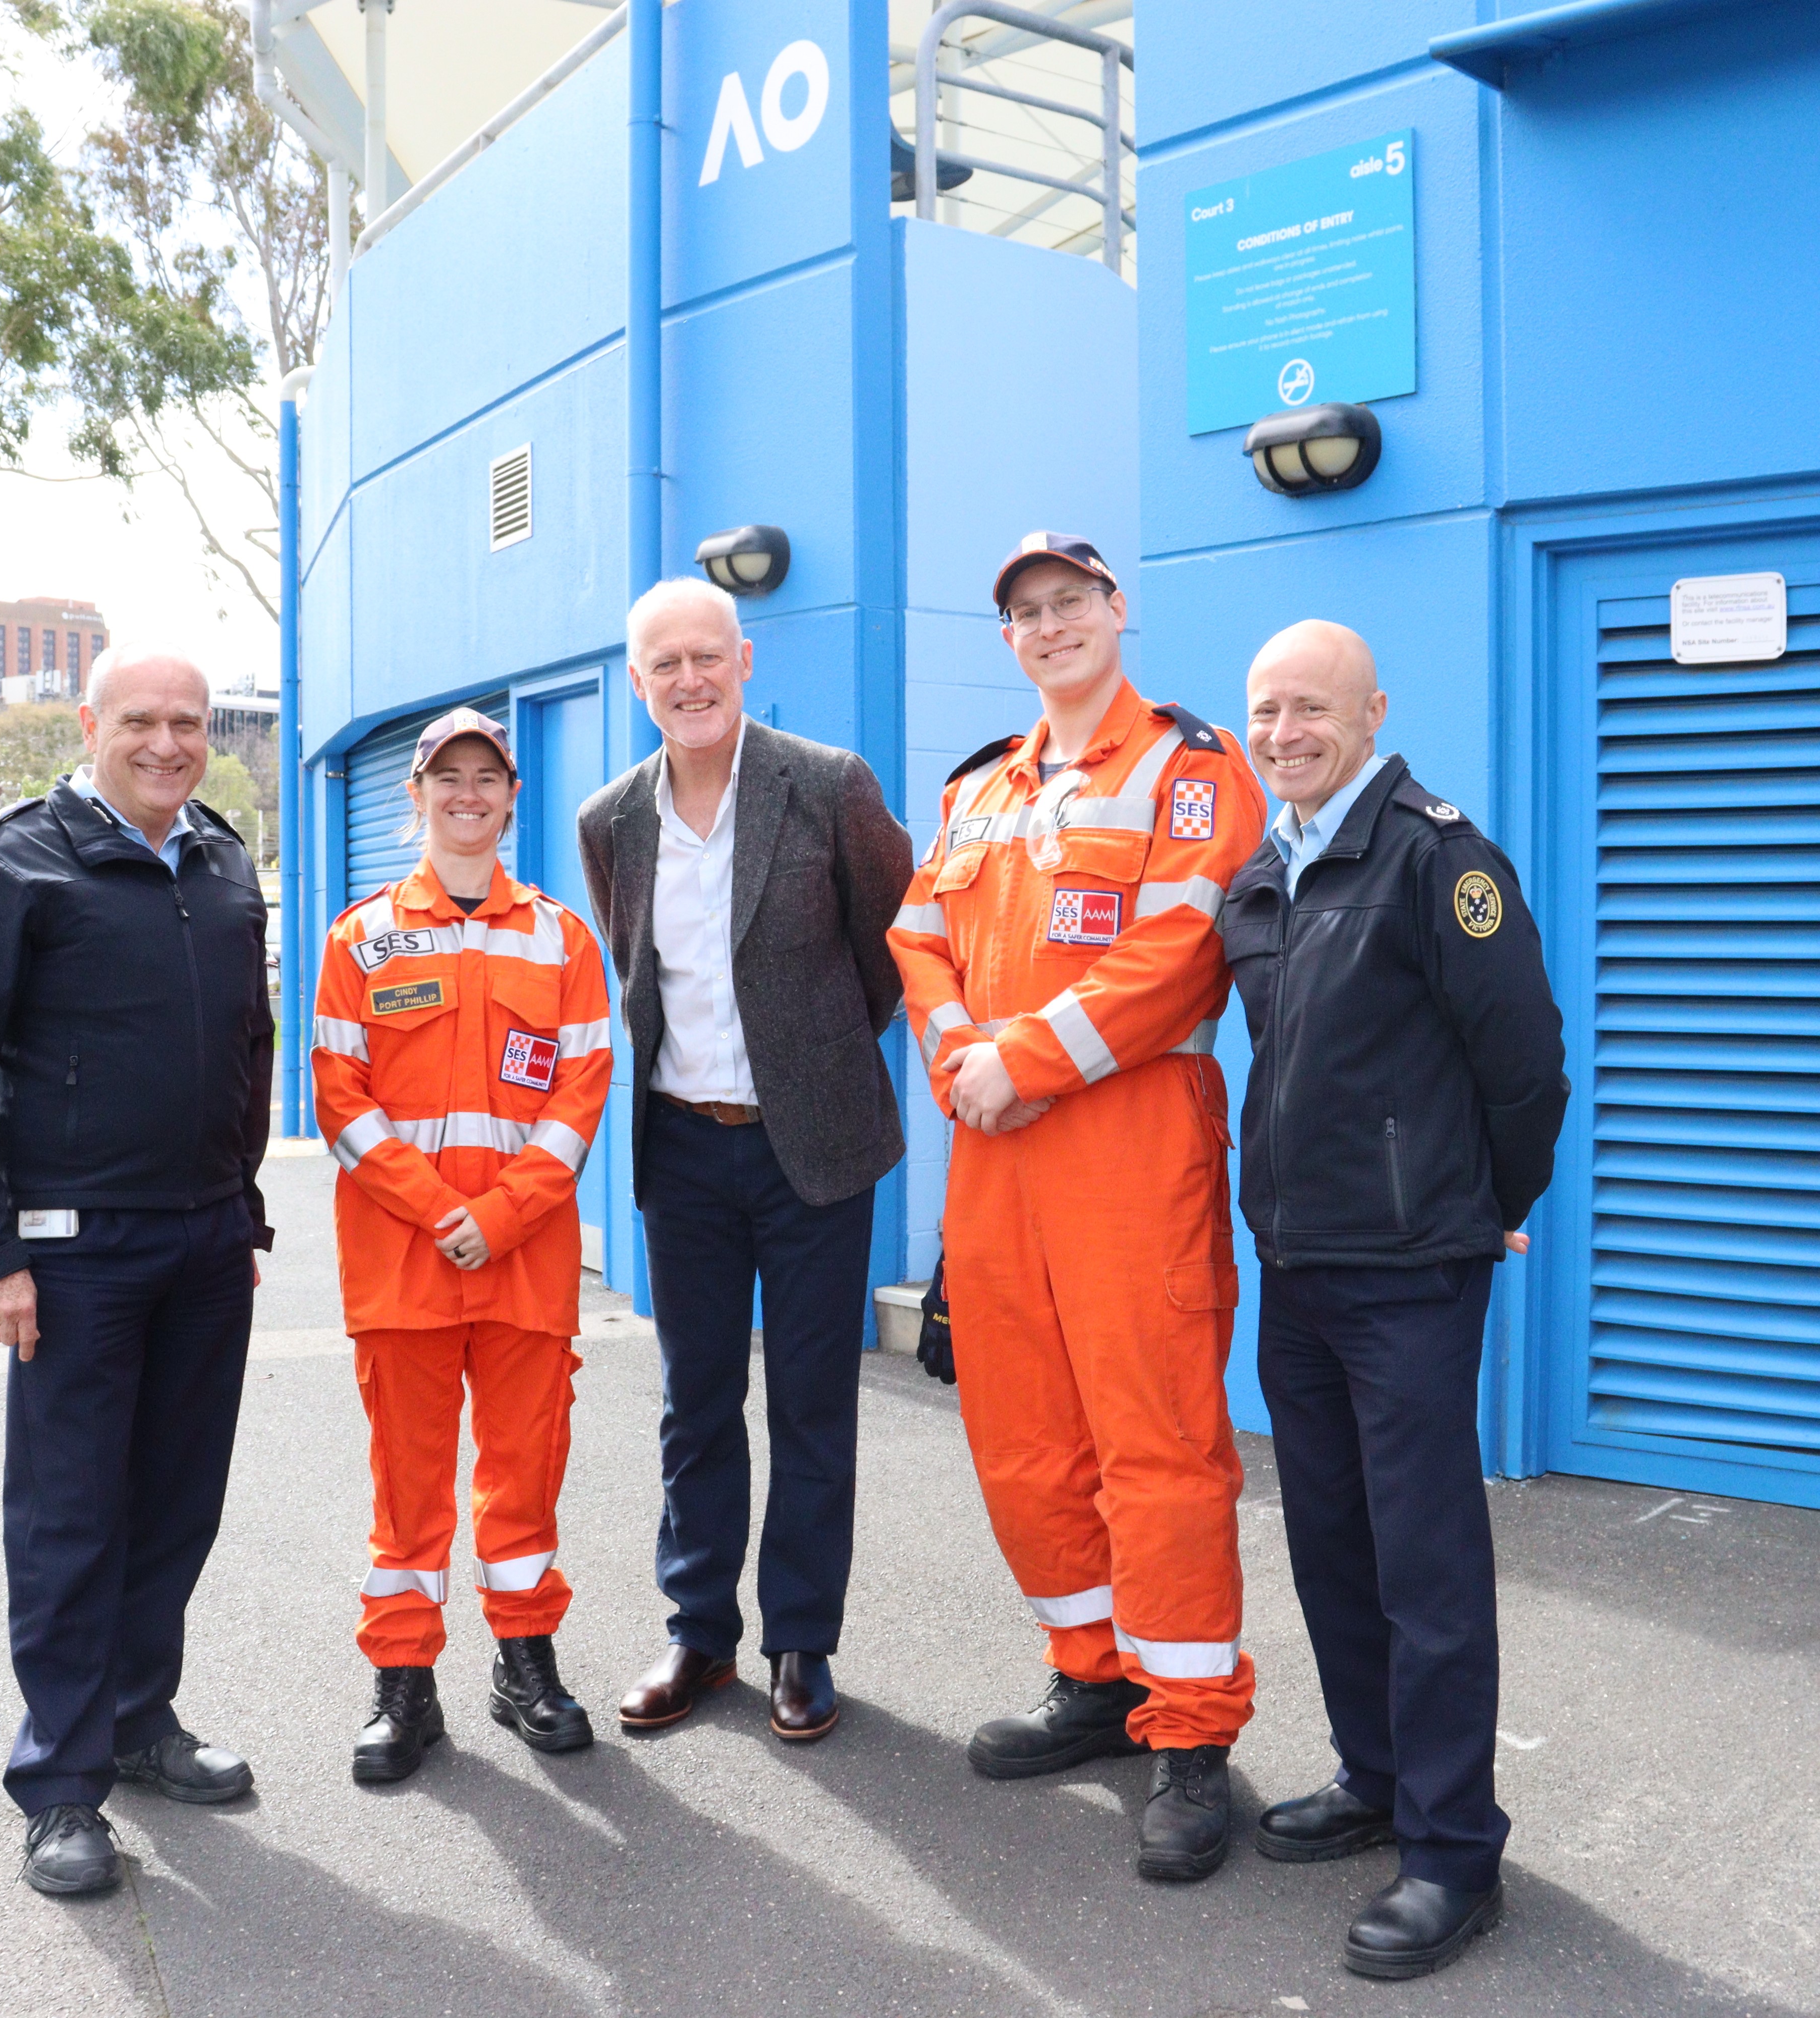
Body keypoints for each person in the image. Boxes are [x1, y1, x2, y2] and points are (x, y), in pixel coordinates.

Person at [888, 533, 1266, 1883]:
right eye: (1027, 615)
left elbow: (1181, 949)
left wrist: (1022, 1063)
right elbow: (920, 935)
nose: (1051, 628)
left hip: (1127, 1144)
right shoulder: (980, 790)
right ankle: (1093, 1676)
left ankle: (1190, 1734)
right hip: (995, 1152)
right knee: (1024, 1433)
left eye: (1071, 605)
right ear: (1008, 640)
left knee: (1155, 1441)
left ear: (1119, 611)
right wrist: (956, 1061)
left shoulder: (1191, 768)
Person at [1223, 619, 1568, 1979]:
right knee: (1333, 1546)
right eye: (1266, 710)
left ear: (1373, 710)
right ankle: (1375, 1778)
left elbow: (1525, 1064)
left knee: (1424, 1564)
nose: (1286, 731)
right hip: (1298, 1268)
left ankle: (1450, 1852)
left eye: (1313, 707)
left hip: (1412, 1272)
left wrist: (1490, 1208)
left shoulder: (1440, 861)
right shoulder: (1269, 870)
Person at [0, 642, 271, 1898]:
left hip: (208, 1245)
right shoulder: (15, 863)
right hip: (71, 1255)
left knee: (177, 1501)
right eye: (142, 721)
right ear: (90, 722)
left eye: (190, 721)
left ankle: (136, 1716)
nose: (168, 742)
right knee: (72, 1518)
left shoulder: (224, 861)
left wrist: (244, 1206)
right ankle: (60, 1785)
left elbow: (246, 1042)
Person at [578, 578, 913, 1744]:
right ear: (637, 682)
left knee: (812, 1403)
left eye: (705, 656)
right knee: (695, 1402)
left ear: (743, 658)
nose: (688, 678)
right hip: (681, 1148)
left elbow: (892, 952)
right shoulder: (609, 818)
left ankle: (800, 1641)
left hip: (812, 1144)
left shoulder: (825, 784)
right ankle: (698, 1631)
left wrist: (807, 1063)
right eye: (663, 663)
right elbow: (641, 982)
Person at [312, 708, 613, 1777]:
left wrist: (499, 1216)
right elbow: (338, 1098)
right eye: (448, 777)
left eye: (487, 777)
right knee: (408, 1482)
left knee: (524, 1473)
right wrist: (442, 1211)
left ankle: (522, 1658)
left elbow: (581, 1095)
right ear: (418, 795)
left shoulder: (562, 937)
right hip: (405, 1258)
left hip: (523, 1258)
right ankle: (403, 1683)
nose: (467, 794)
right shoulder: (361, 936)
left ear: (510, 795)